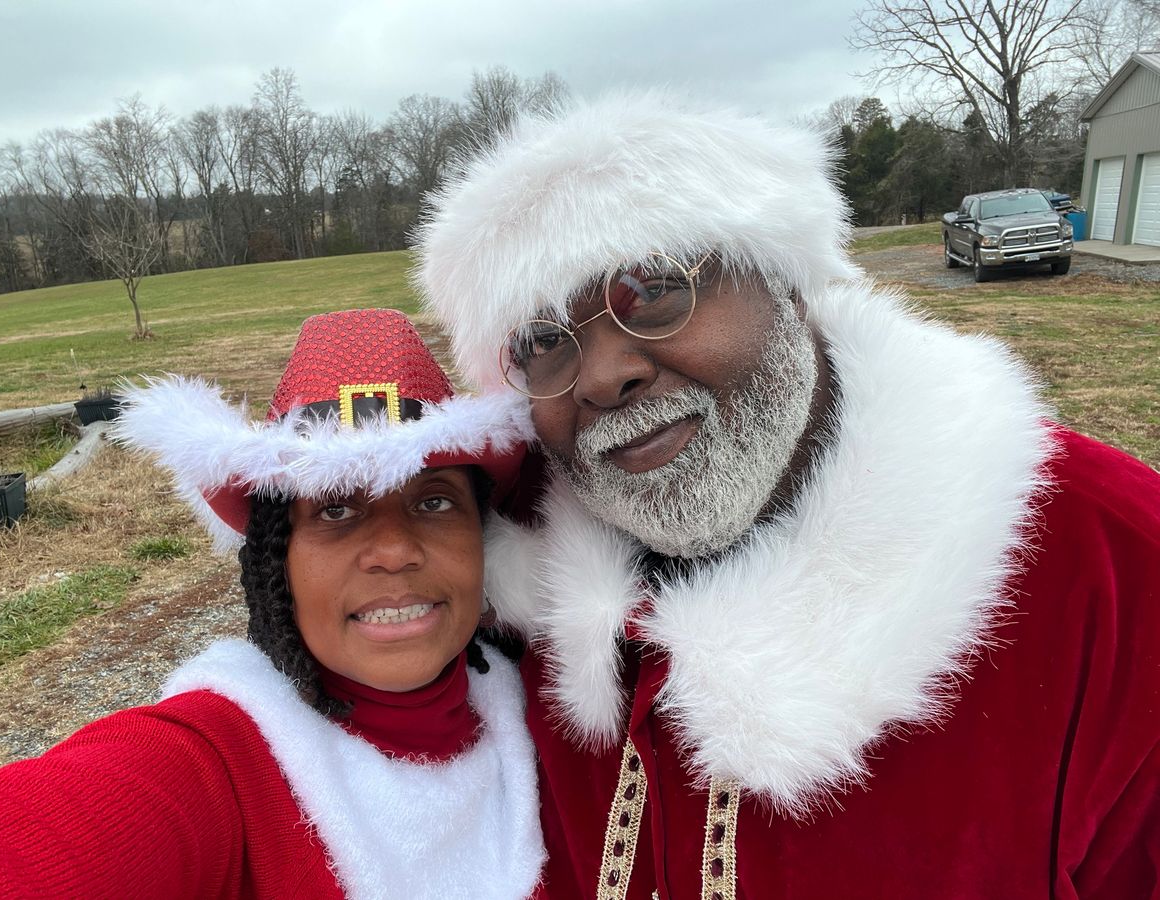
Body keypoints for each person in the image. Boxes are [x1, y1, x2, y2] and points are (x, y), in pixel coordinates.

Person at [414, 94, 1160, 898]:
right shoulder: (502, 589)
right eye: (543, 344)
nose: (601, 376)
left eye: (655, 288)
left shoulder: (1113, 565)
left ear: (787, 284)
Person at [0, 309, 545, 899]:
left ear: (483, 537)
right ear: (277, 560)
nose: (393, 551)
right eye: (335, 508)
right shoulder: (219, 754)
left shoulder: (559, 715)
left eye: (435, 502)